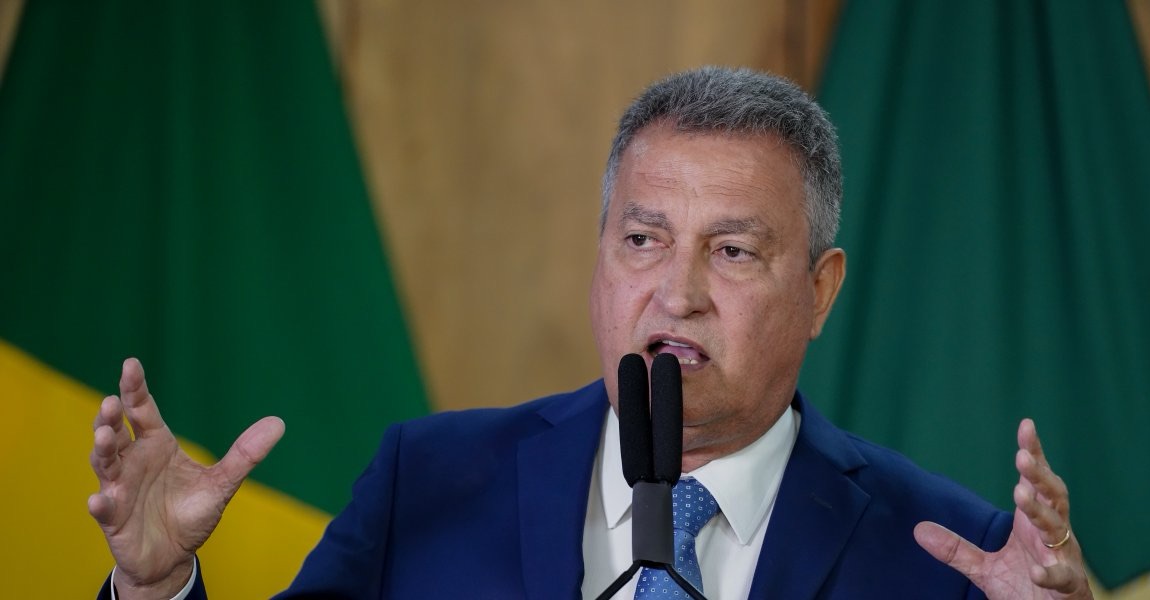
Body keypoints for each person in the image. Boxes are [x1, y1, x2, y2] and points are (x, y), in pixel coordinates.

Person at [89, 66, 1092, 599]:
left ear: (820, 292)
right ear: (600, 255)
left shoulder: (951, 557)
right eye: (643, 241)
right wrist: (156, 586)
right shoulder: (426, 484)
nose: (676, 294)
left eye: (732, 251)